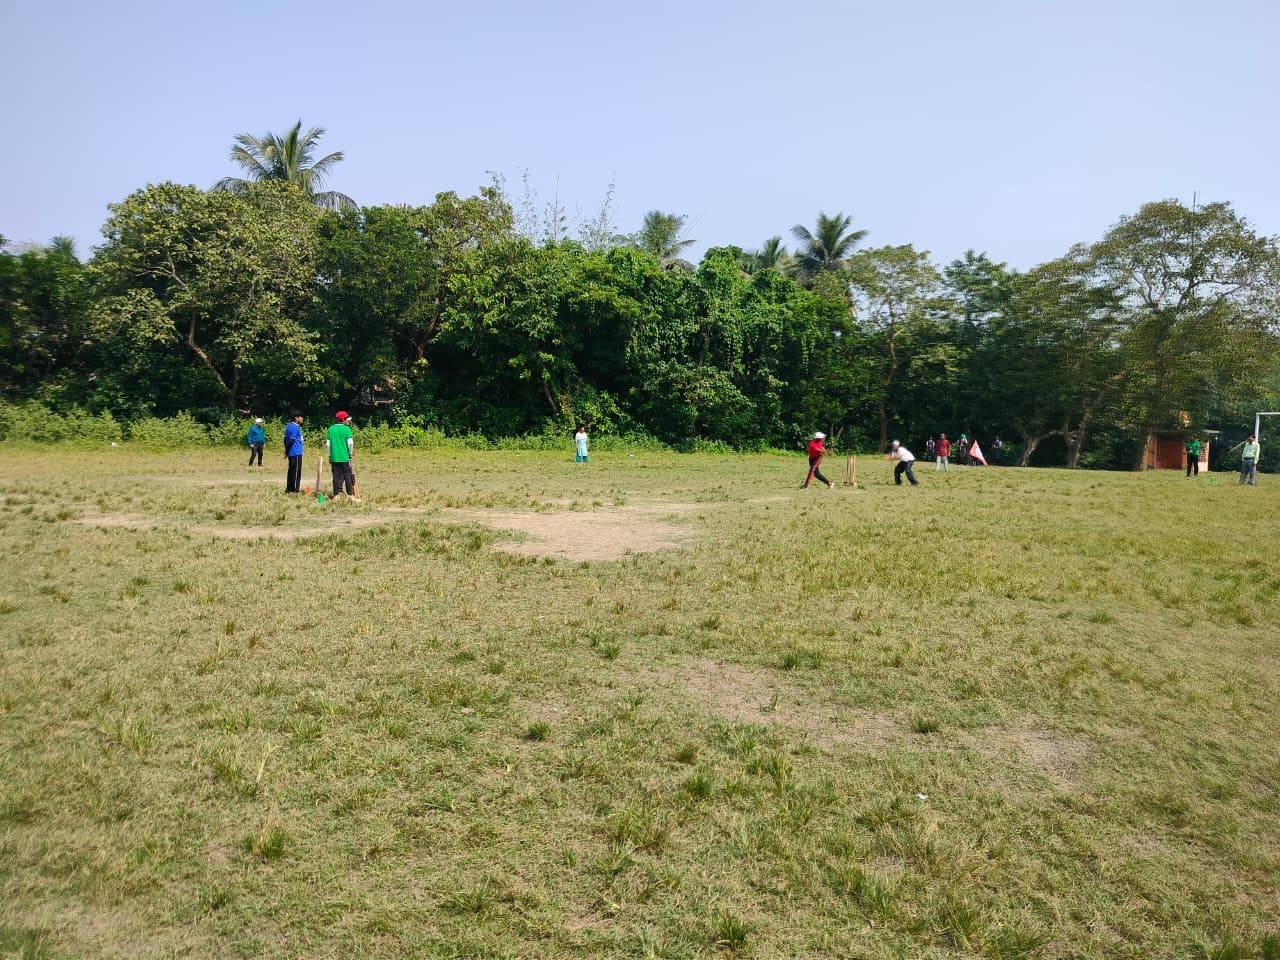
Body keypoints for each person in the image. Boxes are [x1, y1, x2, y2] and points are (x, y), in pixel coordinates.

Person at [326, 411, 357, 498]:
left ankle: (336, 496)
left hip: (334, 457)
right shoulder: (347, 429)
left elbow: (328, 445)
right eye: (347, 419)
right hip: (345, 457)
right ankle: (350, 496)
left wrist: (329, 456)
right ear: (343, 419)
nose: (348, 421)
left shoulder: (330, 429)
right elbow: (350, 443)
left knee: (335, 476)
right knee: (347, 476)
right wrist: (350, 454)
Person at [284, 410, 304, 494]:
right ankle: (295, 490)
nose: (302, 419)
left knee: (291, 471)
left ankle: (289, 488)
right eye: (301, 417)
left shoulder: (289, 426)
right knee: (296, 472)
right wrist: (287, 451)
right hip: (296, 452)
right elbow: (291, 439)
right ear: (296, 418)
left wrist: (286, 450)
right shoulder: (295, 427)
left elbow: (285, 439)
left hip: (292, 452)